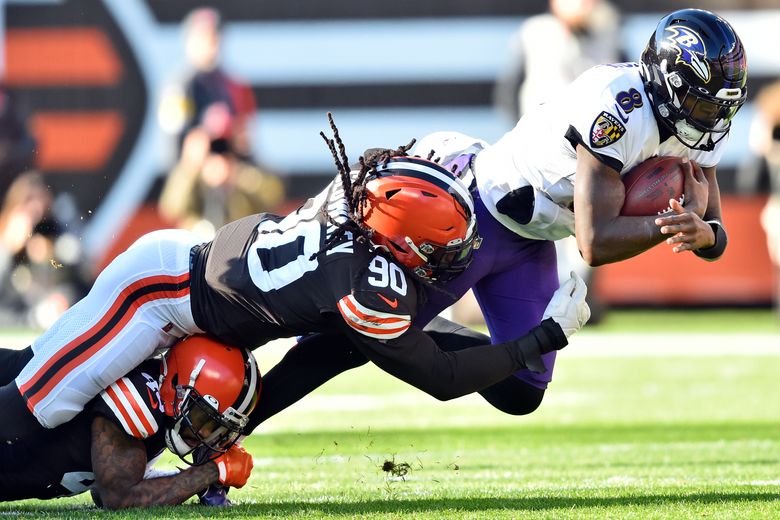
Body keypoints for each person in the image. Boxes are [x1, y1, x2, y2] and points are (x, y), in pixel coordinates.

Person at [241, 8, 747, 430]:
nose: (711, 119)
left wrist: (703, 233)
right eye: (702, 101)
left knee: (522, 390)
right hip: (482, 213)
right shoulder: (618, 107)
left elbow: (714, 233)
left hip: (534, 236)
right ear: (667, 83)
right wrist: (674, 225)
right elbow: (594, 244)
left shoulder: (700, 124)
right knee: (349, 341)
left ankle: (425, 330)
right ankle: (230, 426)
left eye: (720, 105)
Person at [0, 113, 590, 444]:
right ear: (401, 240)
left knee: (36, 363)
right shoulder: (369, 289)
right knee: (38, 406)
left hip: (184, 276)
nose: (453, 261)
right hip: (158, 297)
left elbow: (321, 359)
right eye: (440, 248)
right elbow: (443, 377)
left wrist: (237, 429)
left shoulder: (352, 209)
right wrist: (547, 336)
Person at [0, 335, 260, 509]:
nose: (204, 433)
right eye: (204, 417)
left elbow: (108, 485)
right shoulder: (139, 396)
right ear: (178, 386)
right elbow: (117, 496)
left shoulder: (163, 411)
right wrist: (211, 472)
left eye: (217, 427)